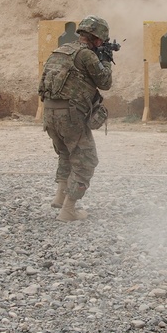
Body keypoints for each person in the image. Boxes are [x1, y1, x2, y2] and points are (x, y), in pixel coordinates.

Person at [38, 15, 113, 222]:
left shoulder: (61, 50)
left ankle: (60, 197)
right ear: (97, 39)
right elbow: (105, 82)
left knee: (65, 152)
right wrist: (105, 61)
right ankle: (69, 210)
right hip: (69, 115)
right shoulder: (87, 55)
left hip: (50, 113)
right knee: (87, 160)